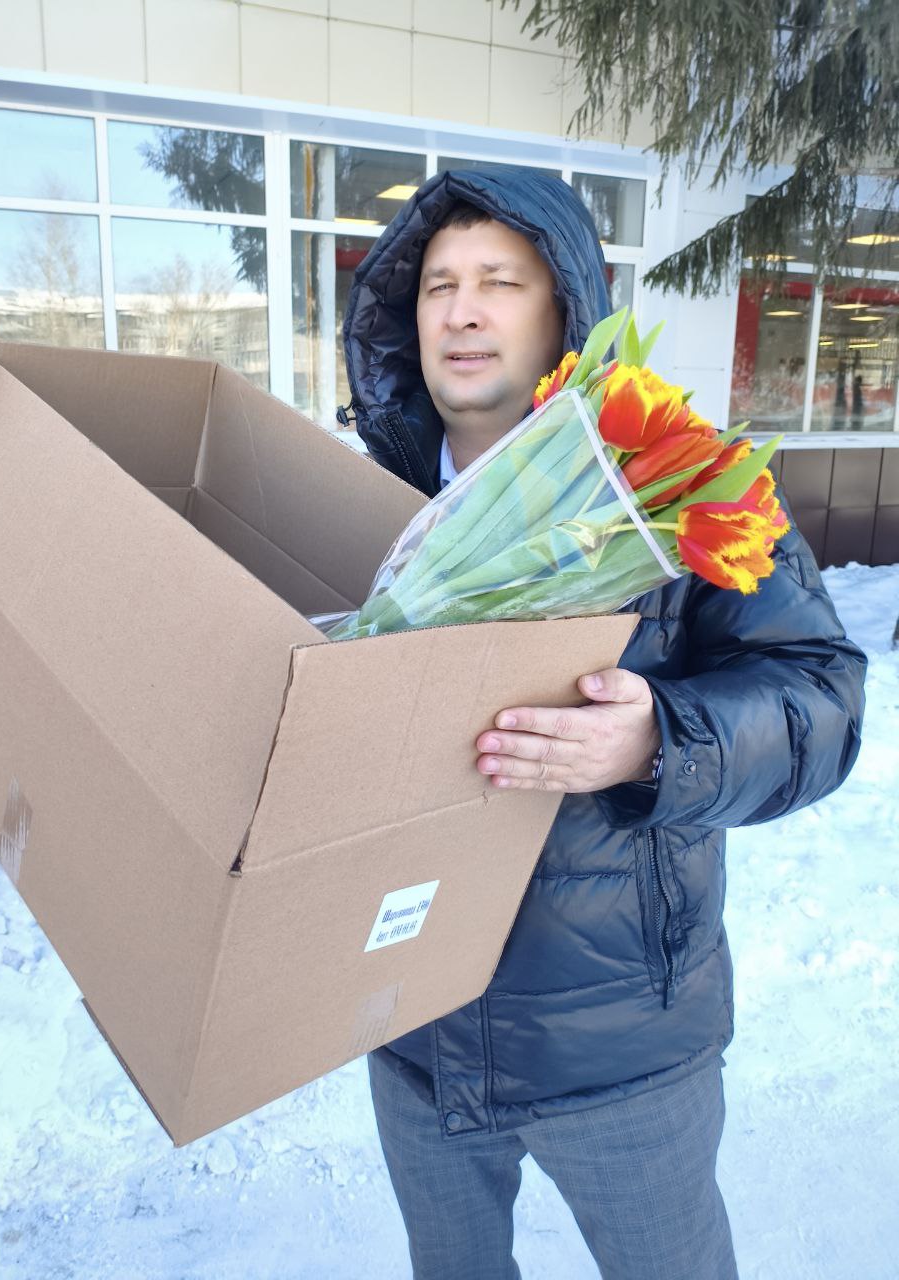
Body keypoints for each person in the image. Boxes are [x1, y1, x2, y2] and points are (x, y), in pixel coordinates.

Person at [340, 168, 867, 1280]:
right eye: (437, 285)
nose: (462, 311)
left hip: (623, 1045)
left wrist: (658, 740)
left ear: (564, 308)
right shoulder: (362, 501)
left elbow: (823, 696)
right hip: (417, 1035)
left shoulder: (677, 478)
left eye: (499, 281)